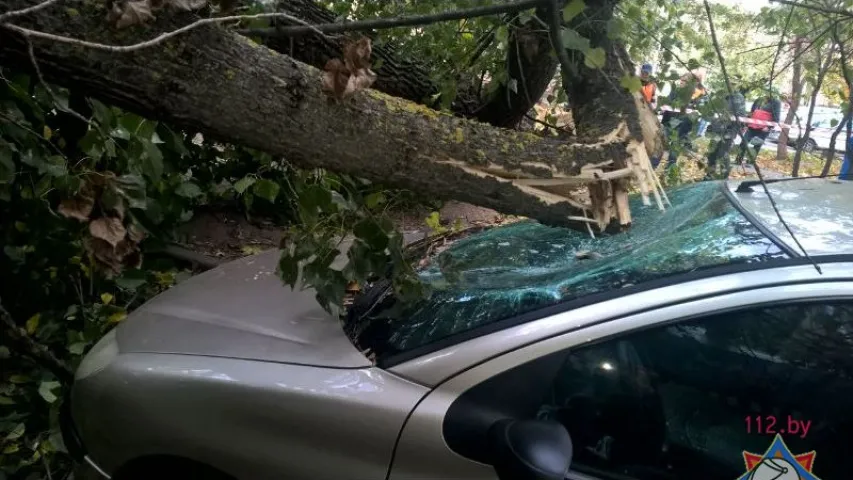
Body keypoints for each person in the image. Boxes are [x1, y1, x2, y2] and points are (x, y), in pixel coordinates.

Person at [655, 69, 707, 170]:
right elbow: (668, 103)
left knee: (674, 151)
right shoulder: (675, 90)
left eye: (684, 81)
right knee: (659, 147)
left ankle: (669, 173)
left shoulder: (697, 95)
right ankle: (652, 167)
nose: (681, 82)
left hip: (682, 127)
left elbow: (697, 113)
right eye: (681, 80)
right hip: (669, 123)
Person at [705, 79, 747, 179]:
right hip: (716, 129)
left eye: (733, 84)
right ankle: (709, 175)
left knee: (722, 154)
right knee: (712, 153)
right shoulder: (720, 95)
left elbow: (741, 115)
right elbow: (713, 110)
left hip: (729, 130)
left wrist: (732, 125)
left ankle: (724, 177)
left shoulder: (739, 97)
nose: (730, 85)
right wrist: (711, 125)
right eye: (729, 83)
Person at [737, 93, 781, 164]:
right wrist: (746, 124)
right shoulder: (759, 100)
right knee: (744, 142)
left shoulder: (776, 102)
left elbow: (777, 118)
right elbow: (752, 113)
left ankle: (750, 162)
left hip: (763, 129)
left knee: (756, 145)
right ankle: (738, 160)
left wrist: (769, 127)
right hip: (752, 126)